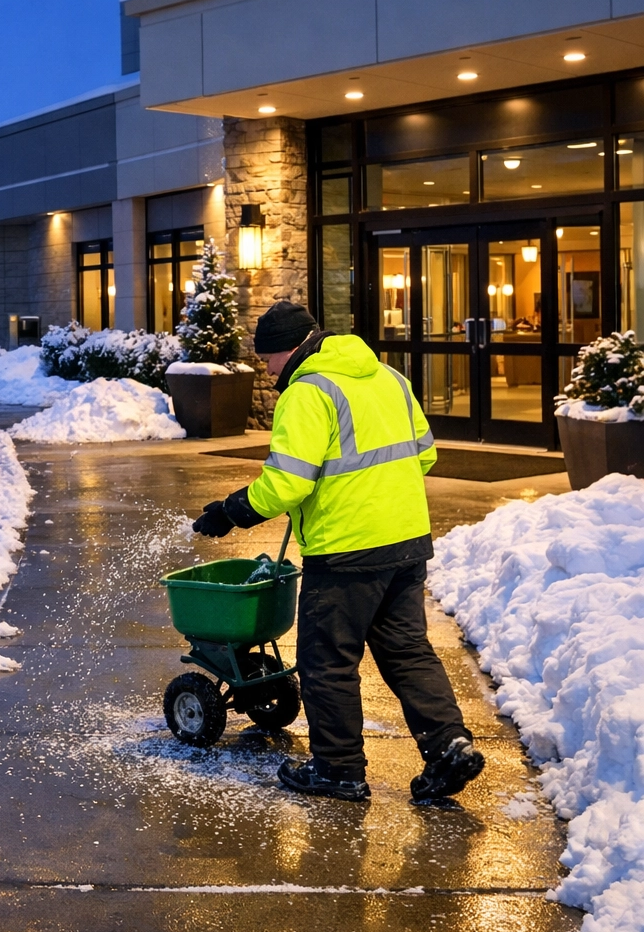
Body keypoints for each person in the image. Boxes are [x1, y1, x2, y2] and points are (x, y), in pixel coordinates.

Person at [191, 301, 484, 804]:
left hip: (346, 550)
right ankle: (448, 745)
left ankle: (338, 769)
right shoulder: (388, 377)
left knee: (326, 661)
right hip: (407, 539)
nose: (267, 369)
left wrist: (230, 511)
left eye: (268, 359)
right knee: (407, 650)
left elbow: (286, 484)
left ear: (290, 349)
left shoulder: (309, 392)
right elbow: (426, 454)